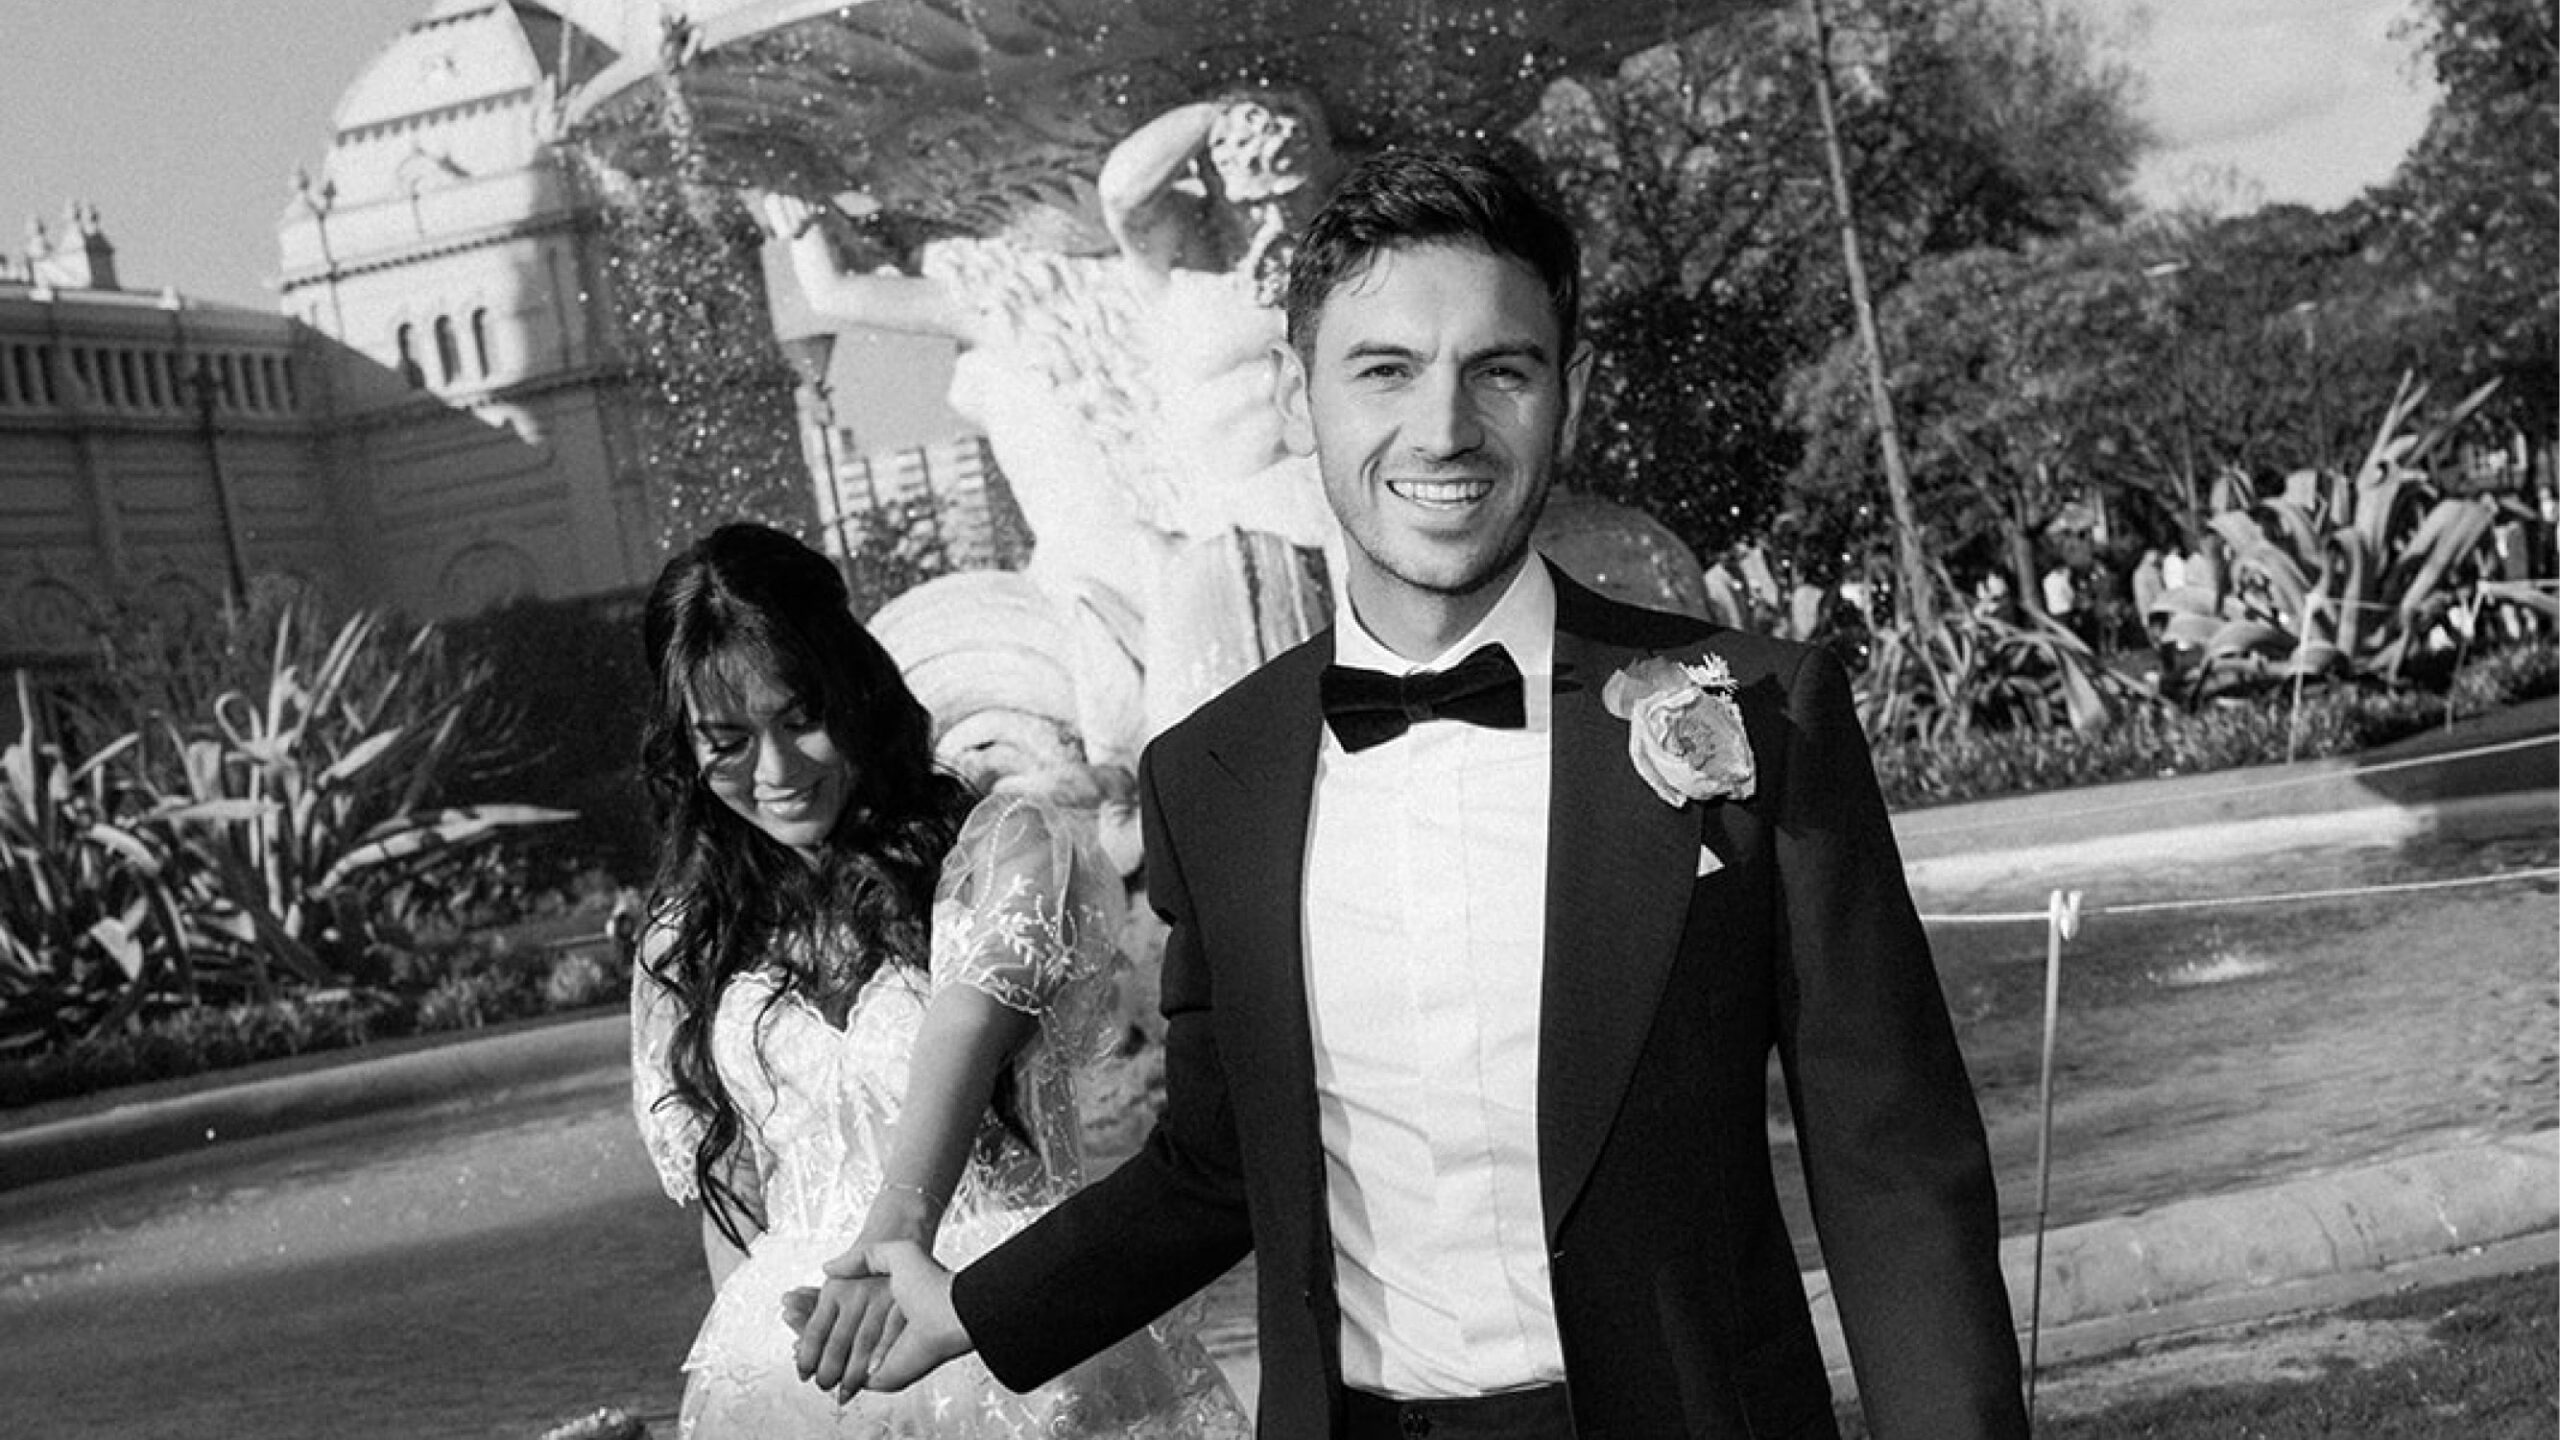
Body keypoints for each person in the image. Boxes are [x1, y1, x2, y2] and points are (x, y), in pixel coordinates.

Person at [820, 148, 2027, 1437]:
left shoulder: (1761, 715)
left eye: (1499, 370)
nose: (1443, 430)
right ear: (1298, 398)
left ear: (1571, 388)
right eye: (1384, 370)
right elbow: (1218, 1166)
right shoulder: (1208, 775)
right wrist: (973, 1307)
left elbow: (1892, 1167)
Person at [627, 521, 1248, 1436]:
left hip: (1003, 1321)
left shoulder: (999, 844)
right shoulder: (688, 939)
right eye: (726, 740)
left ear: (856, 688)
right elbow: (734, 1206)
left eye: (801, 720)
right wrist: (750, 1380)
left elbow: (963, 1028)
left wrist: (895, 1234)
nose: (776, 771)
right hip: (808, 1365)